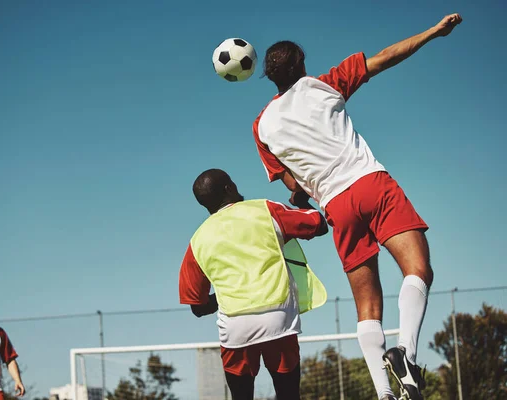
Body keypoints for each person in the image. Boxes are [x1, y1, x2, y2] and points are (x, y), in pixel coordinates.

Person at [251, 13, 462, 400]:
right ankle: (408, 357)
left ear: (270, 76)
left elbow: (294, 186)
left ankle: (385, 393)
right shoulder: (326, 84)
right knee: (417, 269)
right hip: (370, 184)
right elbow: (387, 56)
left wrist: (304, 193)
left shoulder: (262, 126)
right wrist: (433, 33)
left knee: (367, 305)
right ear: (301, 64)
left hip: (336, 205)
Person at [178, 169, 328, 400]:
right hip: (278, 319)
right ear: (229, 188)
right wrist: (301, 200)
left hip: (235, 327)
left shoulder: (197, 240)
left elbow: (197, 307)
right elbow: (318, 224)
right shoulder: (265, 210)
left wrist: (226, 296)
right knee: (288, 395)